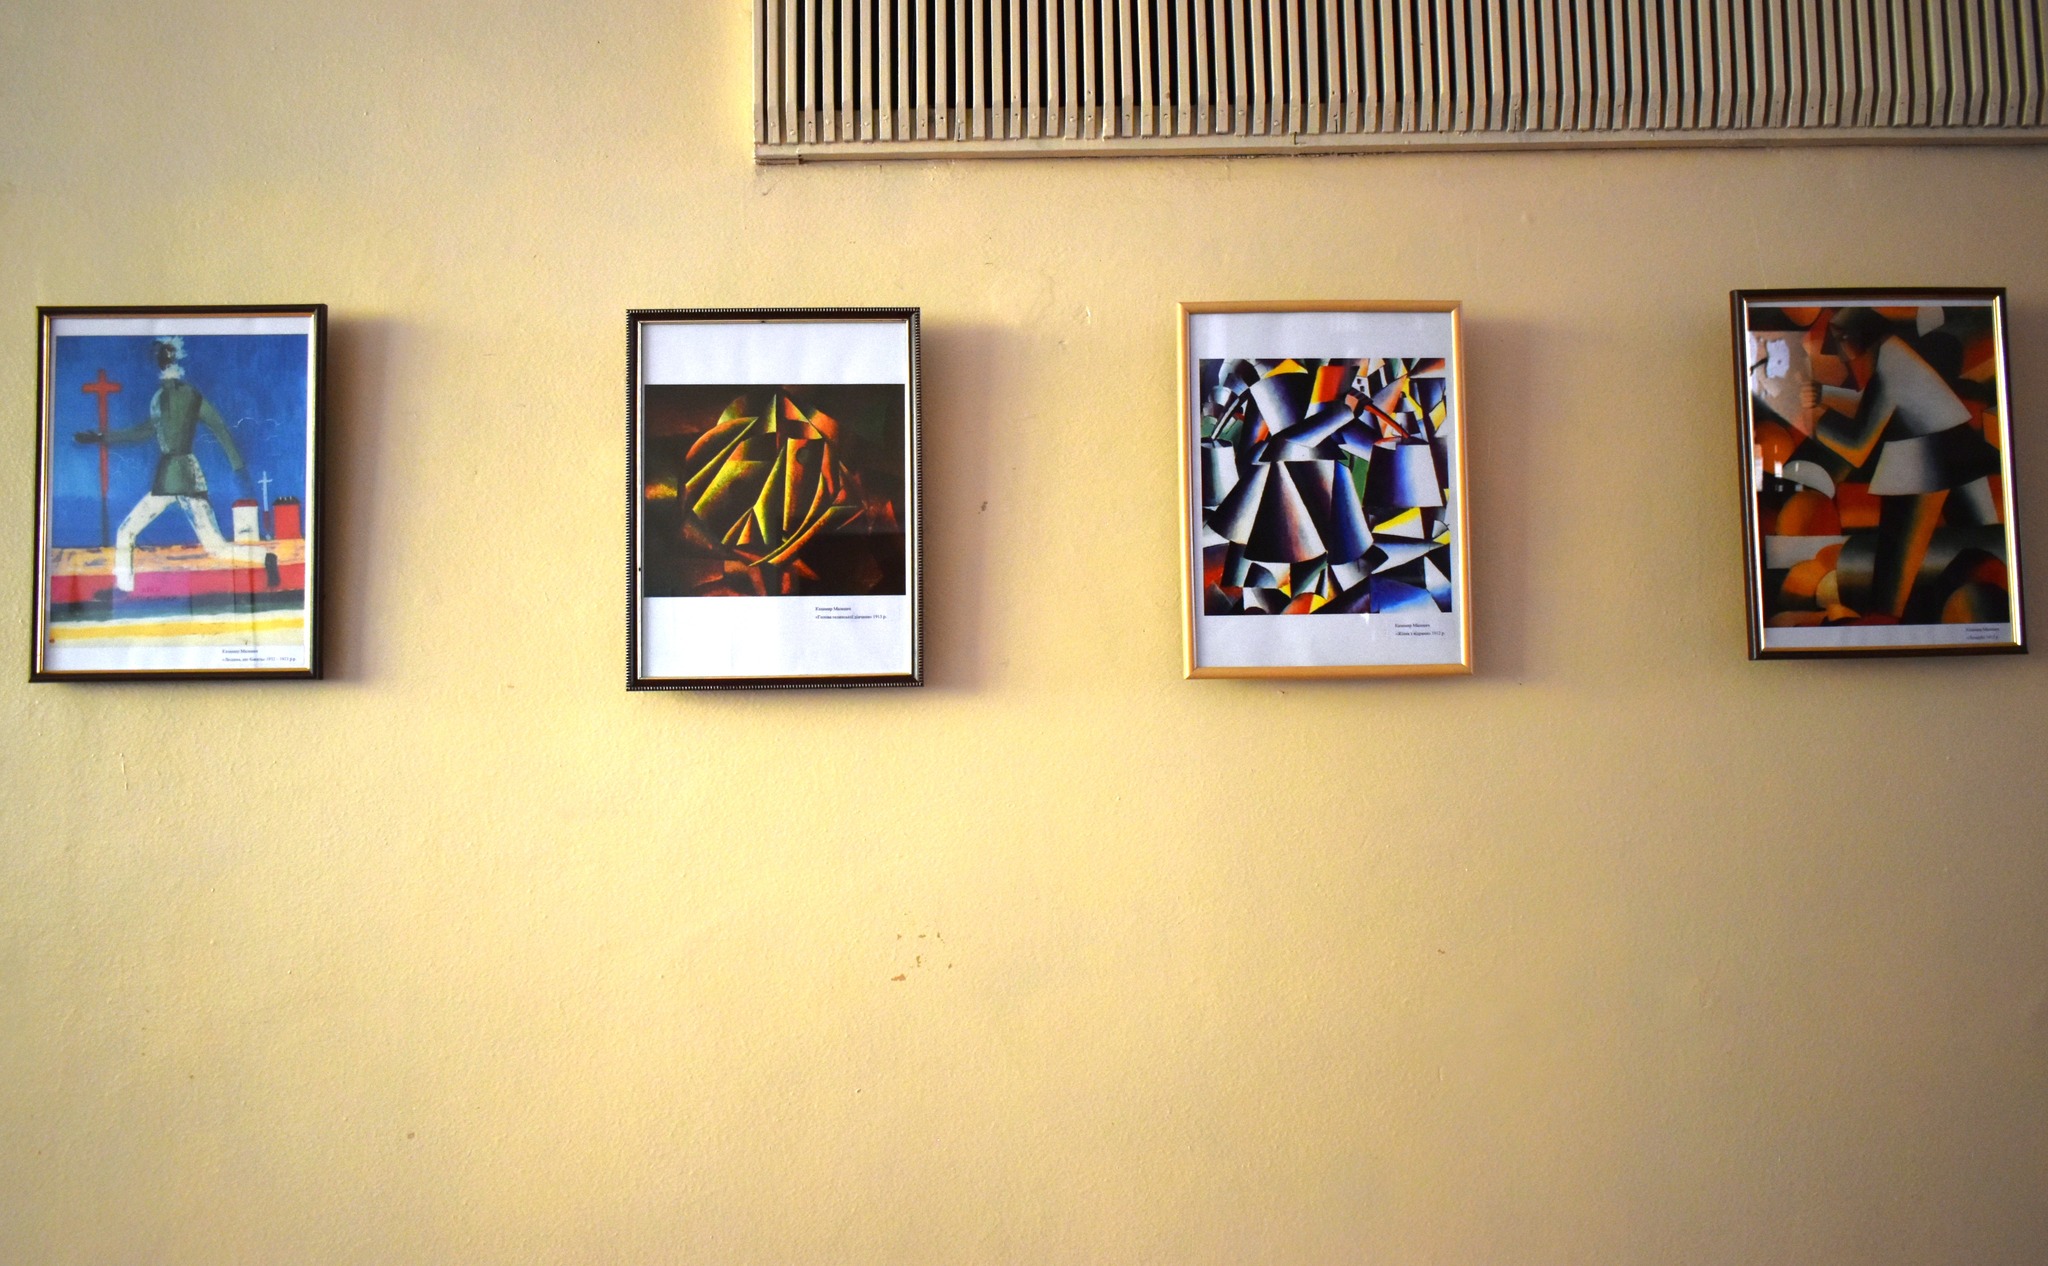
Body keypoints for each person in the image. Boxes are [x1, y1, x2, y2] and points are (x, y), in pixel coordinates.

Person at [1799, 307, 2001, 619]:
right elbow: (1881, 405)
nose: (1834, 348)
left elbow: (1857, 445)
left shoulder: (1890, 365)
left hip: (1921, 462)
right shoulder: (1895, 354)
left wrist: (1818, 424)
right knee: (1986, 549)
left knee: (1890, 586)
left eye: (1839, 338)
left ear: (1858, 336)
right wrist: (1825, 394)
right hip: (1957, 450)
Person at [74, 336, 267, 592]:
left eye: (165, 355)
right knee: (132, 532)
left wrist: (238, 465)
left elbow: (217, 427)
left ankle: (266, 558)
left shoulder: (181, 396)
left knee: (210, 547)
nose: (164, 361)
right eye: (162, 356)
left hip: (179, 478)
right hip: (174, 478)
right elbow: (144, 431)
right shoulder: (166, 398)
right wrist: (101, 437)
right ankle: (124, 587)